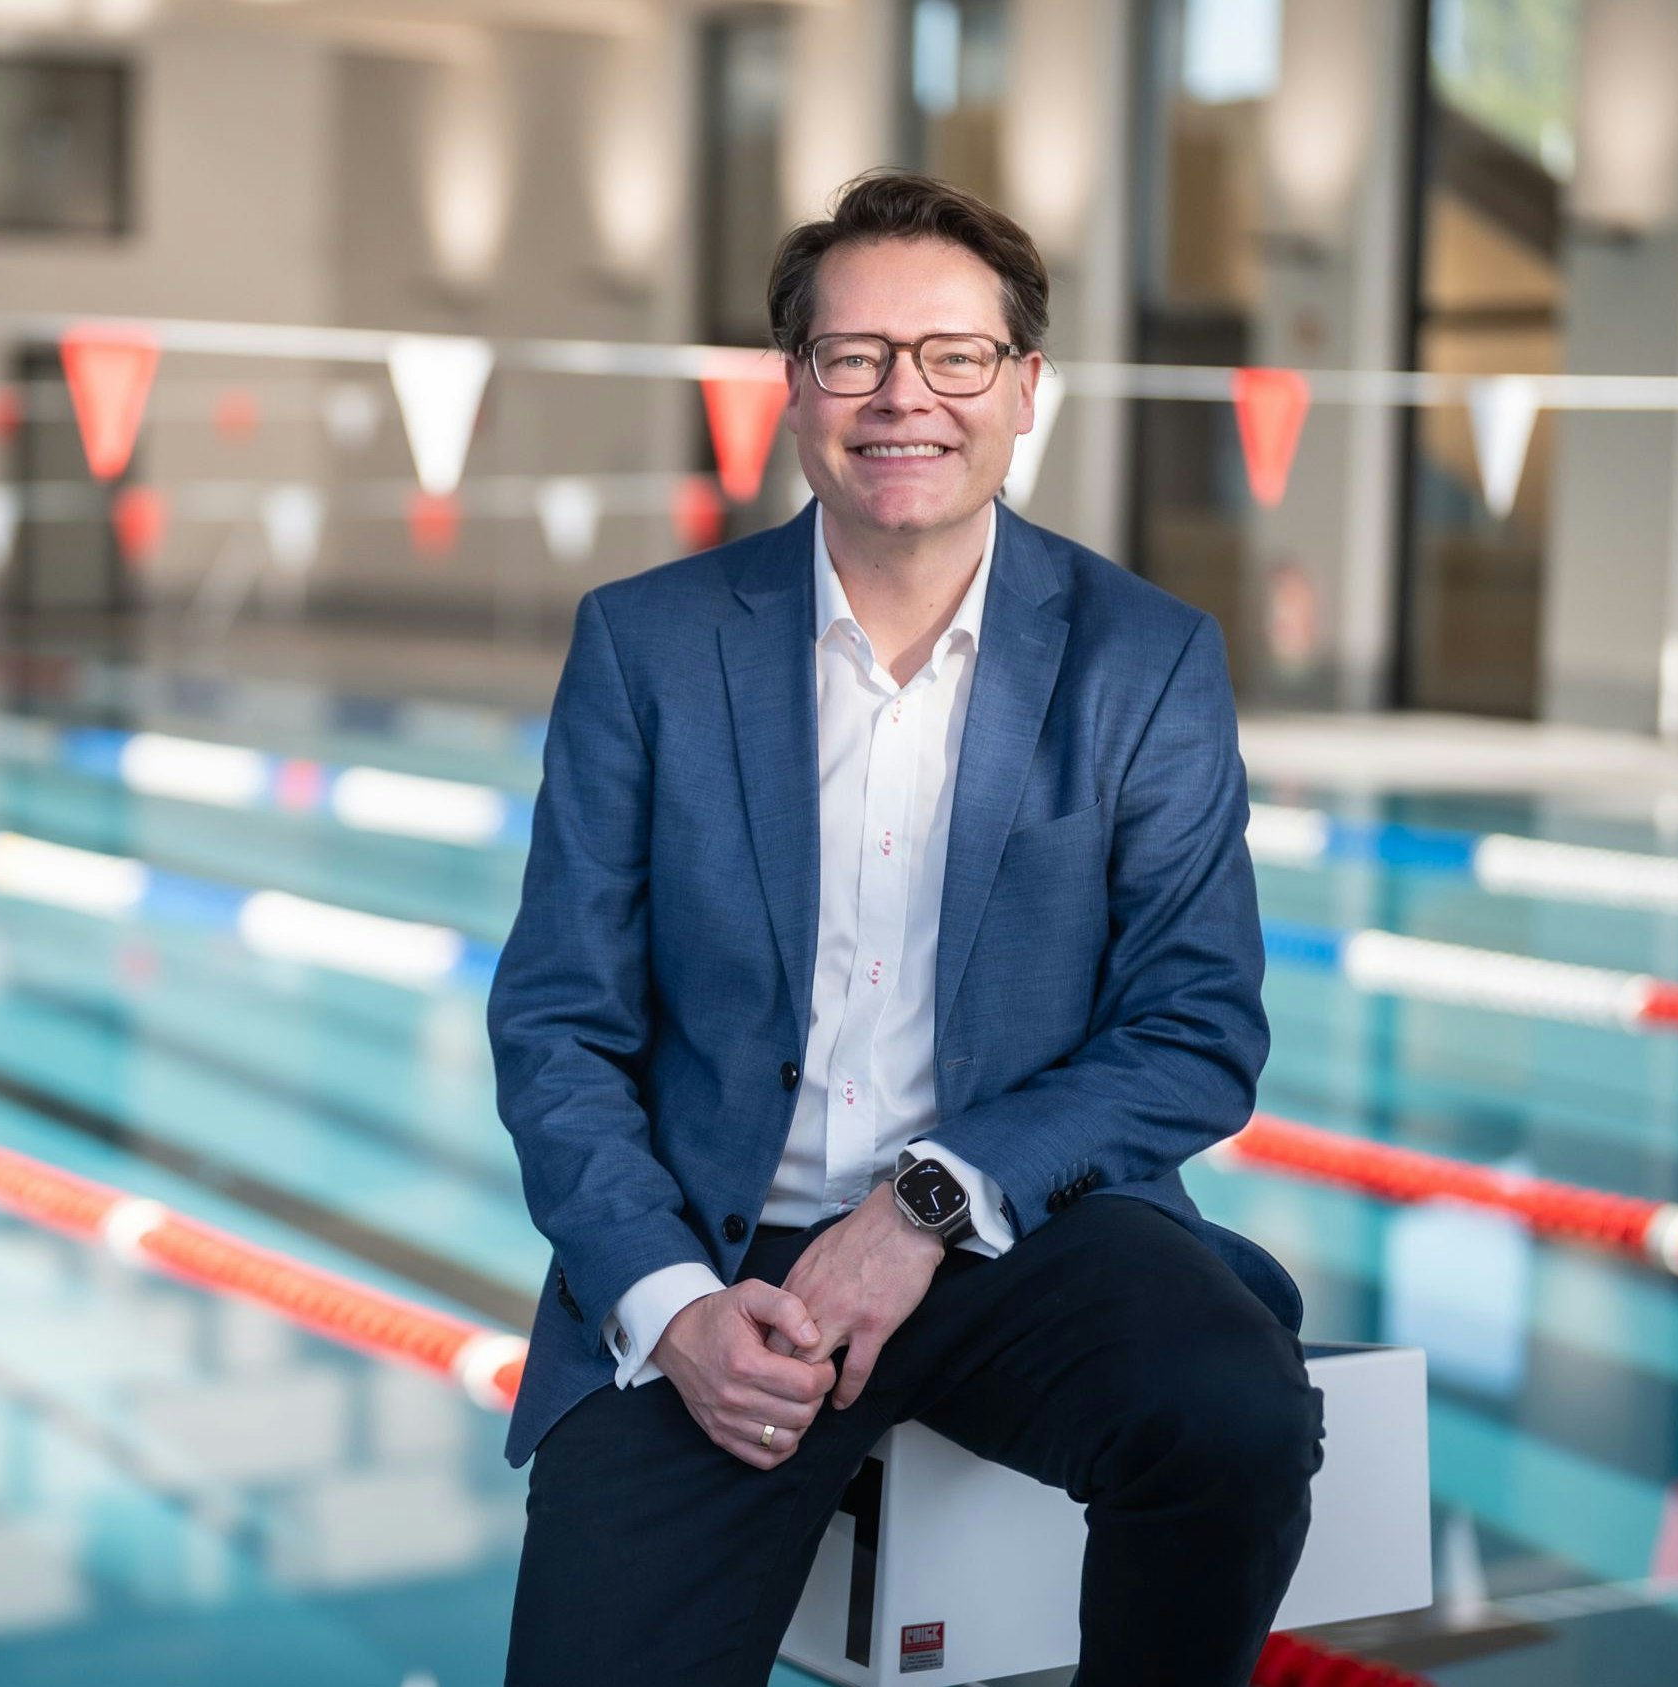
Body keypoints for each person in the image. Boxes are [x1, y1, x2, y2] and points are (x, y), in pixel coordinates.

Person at [487, 169, 1322, 1686]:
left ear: (1024, 391)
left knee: (1236, 1414)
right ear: (796, 388)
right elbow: (558, 1027)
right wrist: (672, 1311)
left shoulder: (1141, 661)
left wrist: (926, 1208)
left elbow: (1196, 1028)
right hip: (724, 1263)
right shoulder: (652, 645)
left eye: (953, 356)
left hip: (1016, 1238)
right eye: (853, 355)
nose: (902, 398)